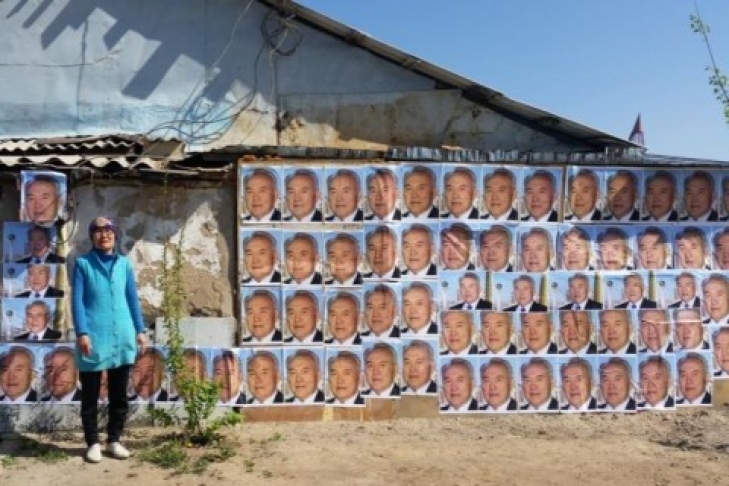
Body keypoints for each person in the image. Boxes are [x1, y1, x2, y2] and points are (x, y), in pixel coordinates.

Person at [72, 216, 147, 462]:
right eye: (98, 231)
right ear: (91, 236)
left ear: (115, 234)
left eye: (108, 230)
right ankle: (92, 442)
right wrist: (82, 332)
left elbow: (132, 300)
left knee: (119, 395)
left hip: (122, 336)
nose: (104, 235)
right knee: (90, 395)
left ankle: (114, 439)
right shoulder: (83, 264)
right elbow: (77, 302)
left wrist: (140, 330)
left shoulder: (124, 264)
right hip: (93, 337)